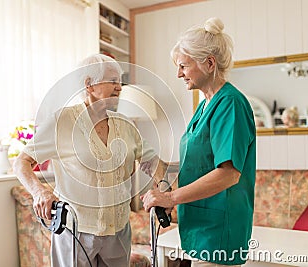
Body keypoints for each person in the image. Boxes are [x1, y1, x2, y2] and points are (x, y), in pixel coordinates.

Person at [13, 53, 167, 267]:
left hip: (119, 230)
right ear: (89, 84)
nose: (120, 87)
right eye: (113, 80)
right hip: (76, 230)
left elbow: (151, 161)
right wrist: (39, 191)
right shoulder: (62, 121)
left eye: (120, 81)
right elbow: (21, 162)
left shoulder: (126, 125)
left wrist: (162, 186)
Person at [141, 17, 256, 267]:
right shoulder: (204, 105)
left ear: (209, 63)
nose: (178, 73)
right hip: (201, 227)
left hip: (219, 231)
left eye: (183, 65)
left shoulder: (230, 104)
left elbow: (228, 174)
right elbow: (198, 164)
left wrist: (171, 199)